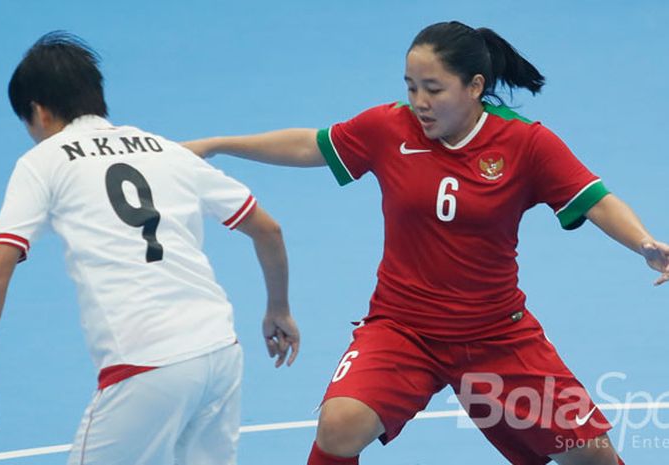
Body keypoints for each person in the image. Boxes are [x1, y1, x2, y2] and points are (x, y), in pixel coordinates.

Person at [183, 20, 669, 465]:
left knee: (593, 458)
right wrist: (220, 144)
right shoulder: (388, 128)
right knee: (338, 427)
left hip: (497, 336)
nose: (419, 101)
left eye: (434, 89)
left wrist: (645, 244)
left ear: (475, 87)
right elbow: (312, 144)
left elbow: (596, 198)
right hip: (402, 329)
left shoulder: (525, 144)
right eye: (411, 87)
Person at [0, 31, 300, 465]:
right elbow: (269, 230)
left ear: (39, 112)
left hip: (144, 364)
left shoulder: (43, 162)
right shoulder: (167, 150)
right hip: (220, 352)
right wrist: (278, 309)